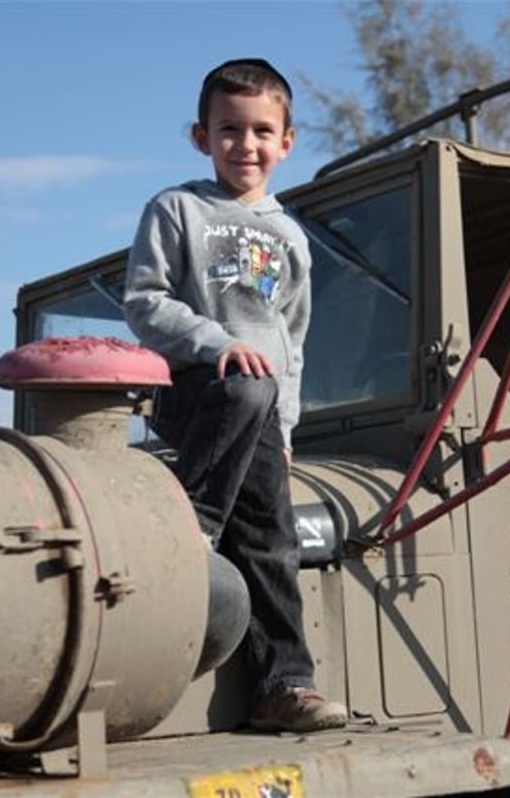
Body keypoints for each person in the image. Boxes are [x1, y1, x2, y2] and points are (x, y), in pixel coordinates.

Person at [122, 58, 348, 733]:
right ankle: (188, 529)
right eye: (228, 130)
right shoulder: (177, 209)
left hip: (259, 414)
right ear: (201, 137)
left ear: (287, 141)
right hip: (197, 391)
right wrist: (217, 344)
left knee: (273, 543)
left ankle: (285, 685)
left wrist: (286, 427)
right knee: (245, 383)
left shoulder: (293, 238)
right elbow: (143, 303)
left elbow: (292, 341)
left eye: (259, 132)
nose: (244, 145)